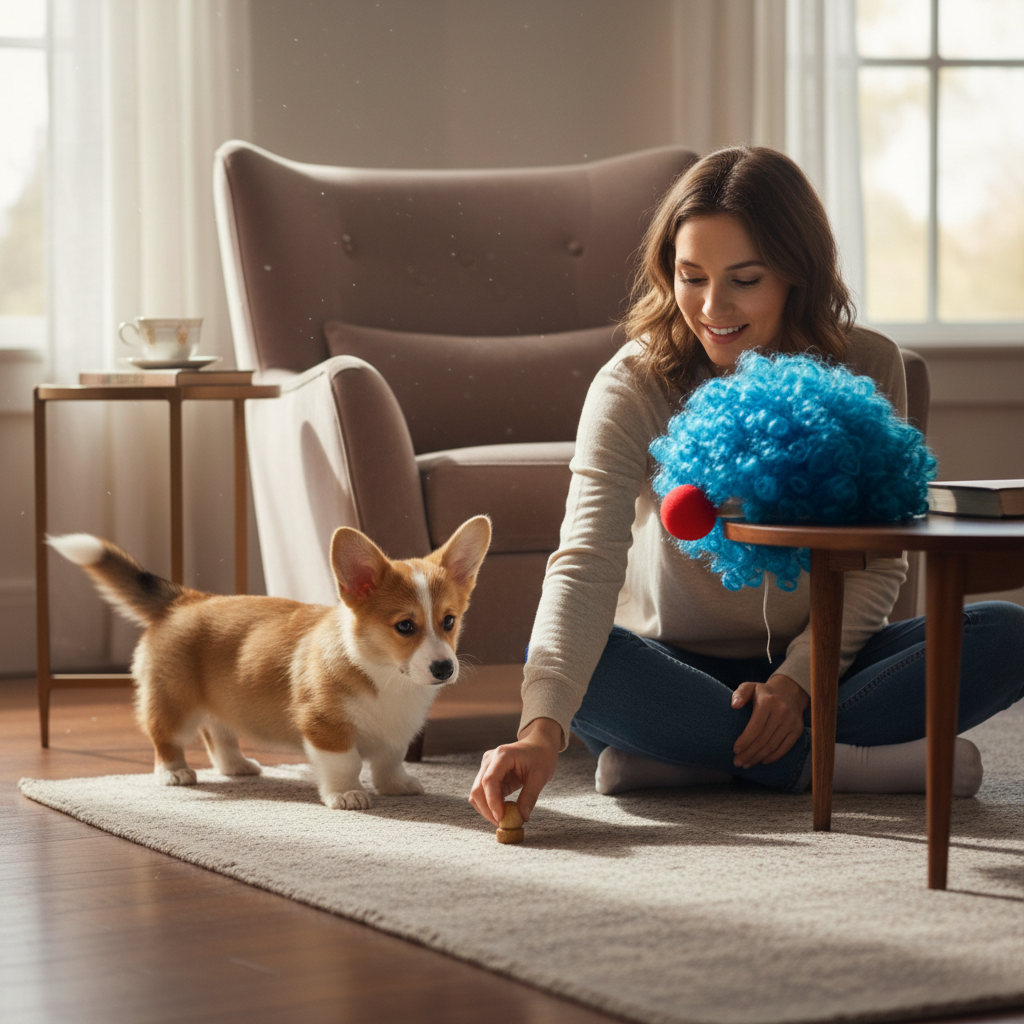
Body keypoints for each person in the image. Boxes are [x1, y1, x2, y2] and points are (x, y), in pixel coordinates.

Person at [469, 146, 1024, 826]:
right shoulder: (633, 383)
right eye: (690, 276)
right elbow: (585, 563)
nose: (711, 307)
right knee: (568, 669)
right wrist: (538, 734)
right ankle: (843, 766)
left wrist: (795, 685)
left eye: (744, 279)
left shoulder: (869, 364)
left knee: (1006, 632)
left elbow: (878, 567)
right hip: (670, 666)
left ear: (796, 272)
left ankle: (691, 760)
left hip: (822, 669)